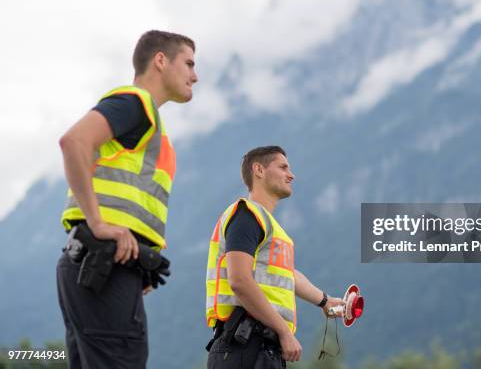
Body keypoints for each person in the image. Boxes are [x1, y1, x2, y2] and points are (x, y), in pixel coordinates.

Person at [56, 30, 198, 368]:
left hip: (105, 268)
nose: (195, 75)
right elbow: (74, 141)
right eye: (189, 63)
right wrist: (99, 224)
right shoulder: (137, 103)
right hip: (103, 267)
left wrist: (138, 257)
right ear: (160, 60)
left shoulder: (150, 126)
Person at [206, 146, 345, 368]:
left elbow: (287, 275)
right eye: (283, 167)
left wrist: (326, 302)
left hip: (261, 348)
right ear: (259, 170)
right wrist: (283, 331)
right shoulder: (247, 215)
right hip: (244, 345)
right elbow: (239, 280)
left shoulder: (269, 226)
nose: (291, 175)